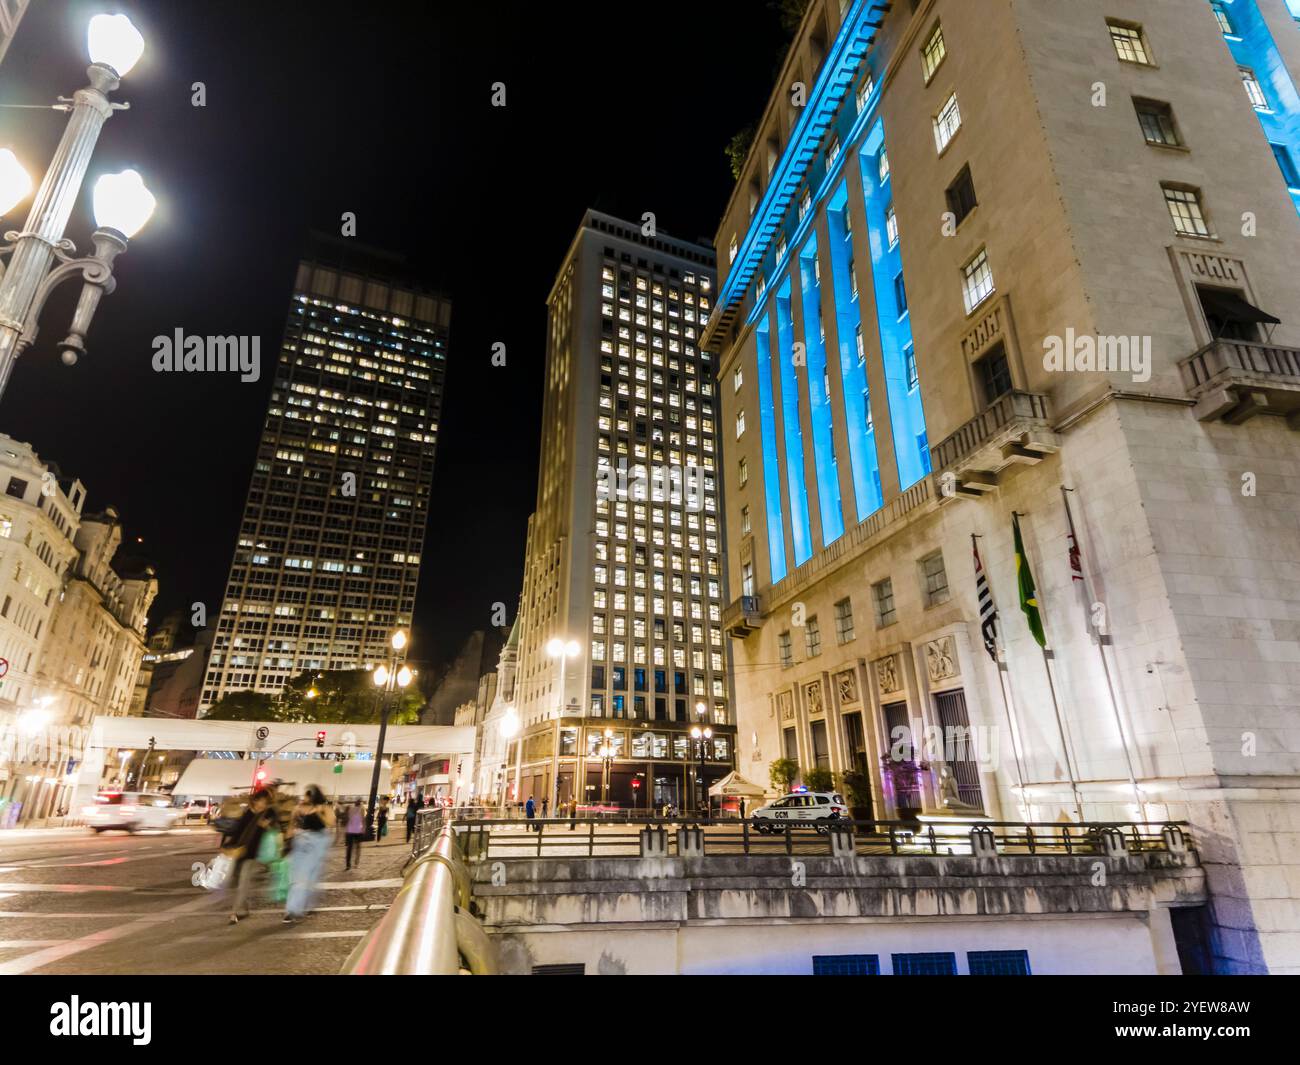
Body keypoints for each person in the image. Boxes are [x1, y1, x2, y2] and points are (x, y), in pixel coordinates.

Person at [284, 785, 334, 923]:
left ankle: (304, 906)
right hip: (300, 844)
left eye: (307, 795)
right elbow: (291, 825)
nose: (305, 798)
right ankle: (293, 909)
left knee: (310, 878)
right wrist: (286, 842)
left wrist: (318, 812)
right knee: (299, 877)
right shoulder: (298, 809)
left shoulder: (324, 808)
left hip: (317, 845)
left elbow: (330, 823)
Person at [226, 789, 276, 925]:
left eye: (265, 802)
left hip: (253, 854)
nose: (262, 805)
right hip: (240, 852)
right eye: (260, 801)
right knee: (236, 882)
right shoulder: (248, 813)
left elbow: (273, 828)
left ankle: (234, 913)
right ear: (254, 800)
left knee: (243, 883)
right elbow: (238, 831)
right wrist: (229, 845)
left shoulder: (269, 813)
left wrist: (267, 825)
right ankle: (244, 907)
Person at [344, 800, 365, 869]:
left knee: (349, 848)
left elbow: (347, 819)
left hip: (349, 831)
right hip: (358, 831)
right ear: (360, 804)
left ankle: (348, 864)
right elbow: (363, 820)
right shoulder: (362, 809)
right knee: (358, 847)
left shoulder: (350, 809)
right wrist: (363, 829)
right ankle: (356, 863)